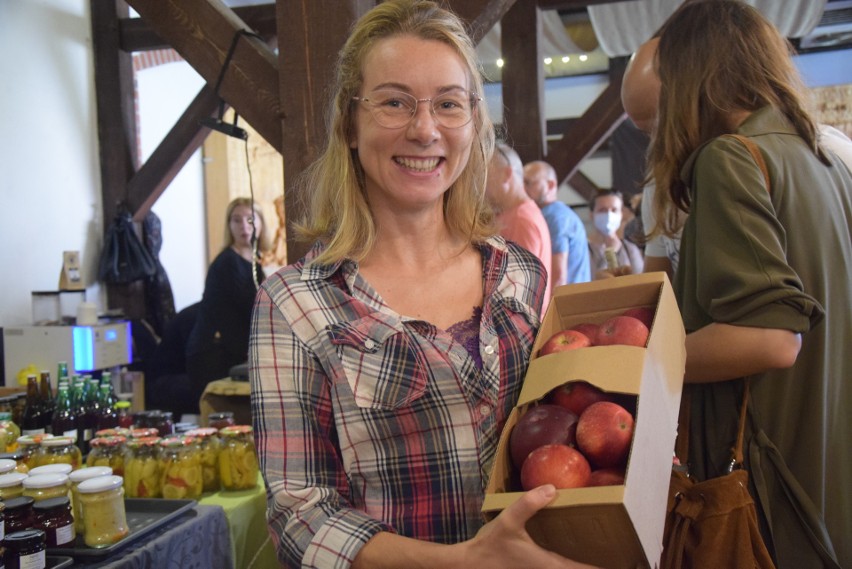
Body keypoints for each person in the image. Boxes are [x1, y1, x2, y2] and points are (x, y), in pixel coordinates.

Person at [248, 2, 596, 568]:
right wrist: (463, 562)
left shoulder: (520, 275)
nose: (425, 128)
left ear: (474, 123)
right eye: (394, 102)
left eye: (448, 104)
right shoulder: (295, 302)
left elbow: (559, 429)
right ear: (350, 125)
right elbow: (300, 513)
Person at [648, 2, 852, 567]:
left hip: (769, 484)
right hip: (827, 467)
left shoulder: (730, 158)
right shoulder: (825, 160)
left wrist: (639, 362)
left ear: (692, 77)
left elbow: (768, 340)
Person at [185, 197, 266, 410]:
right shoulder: (227, 263)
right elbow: (231, 318)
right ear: (229, 226)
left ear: (261, 223)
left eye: (250, 220)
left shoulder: (256, 261)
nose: (243, 227)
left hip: (236, 350)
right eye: (236, 220)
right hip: (214, 354)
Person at [485, 142, 552, 305]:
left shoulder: (521, 220)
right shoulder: (511, 214)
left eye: (485, 176)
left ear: (507, 175)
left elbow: (520, 291)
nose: (482, 185)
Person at [523, 160, 591, 287]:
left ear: (550, 185)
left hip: (568, 303)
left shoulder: (555, 217)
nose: (522, 189)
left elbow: (558, 277)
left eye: (527, 183)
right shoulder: (556, 214)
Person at [586, 189, 643, 279]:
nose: (609, 214)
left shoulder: (629, 248)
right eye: (602, 210)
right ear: (591, 215)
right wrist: (610, 253)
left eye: (614, 210)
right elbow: (590, 283)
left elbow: (642, 281)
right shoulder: (583, 249)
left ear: (621, 214)